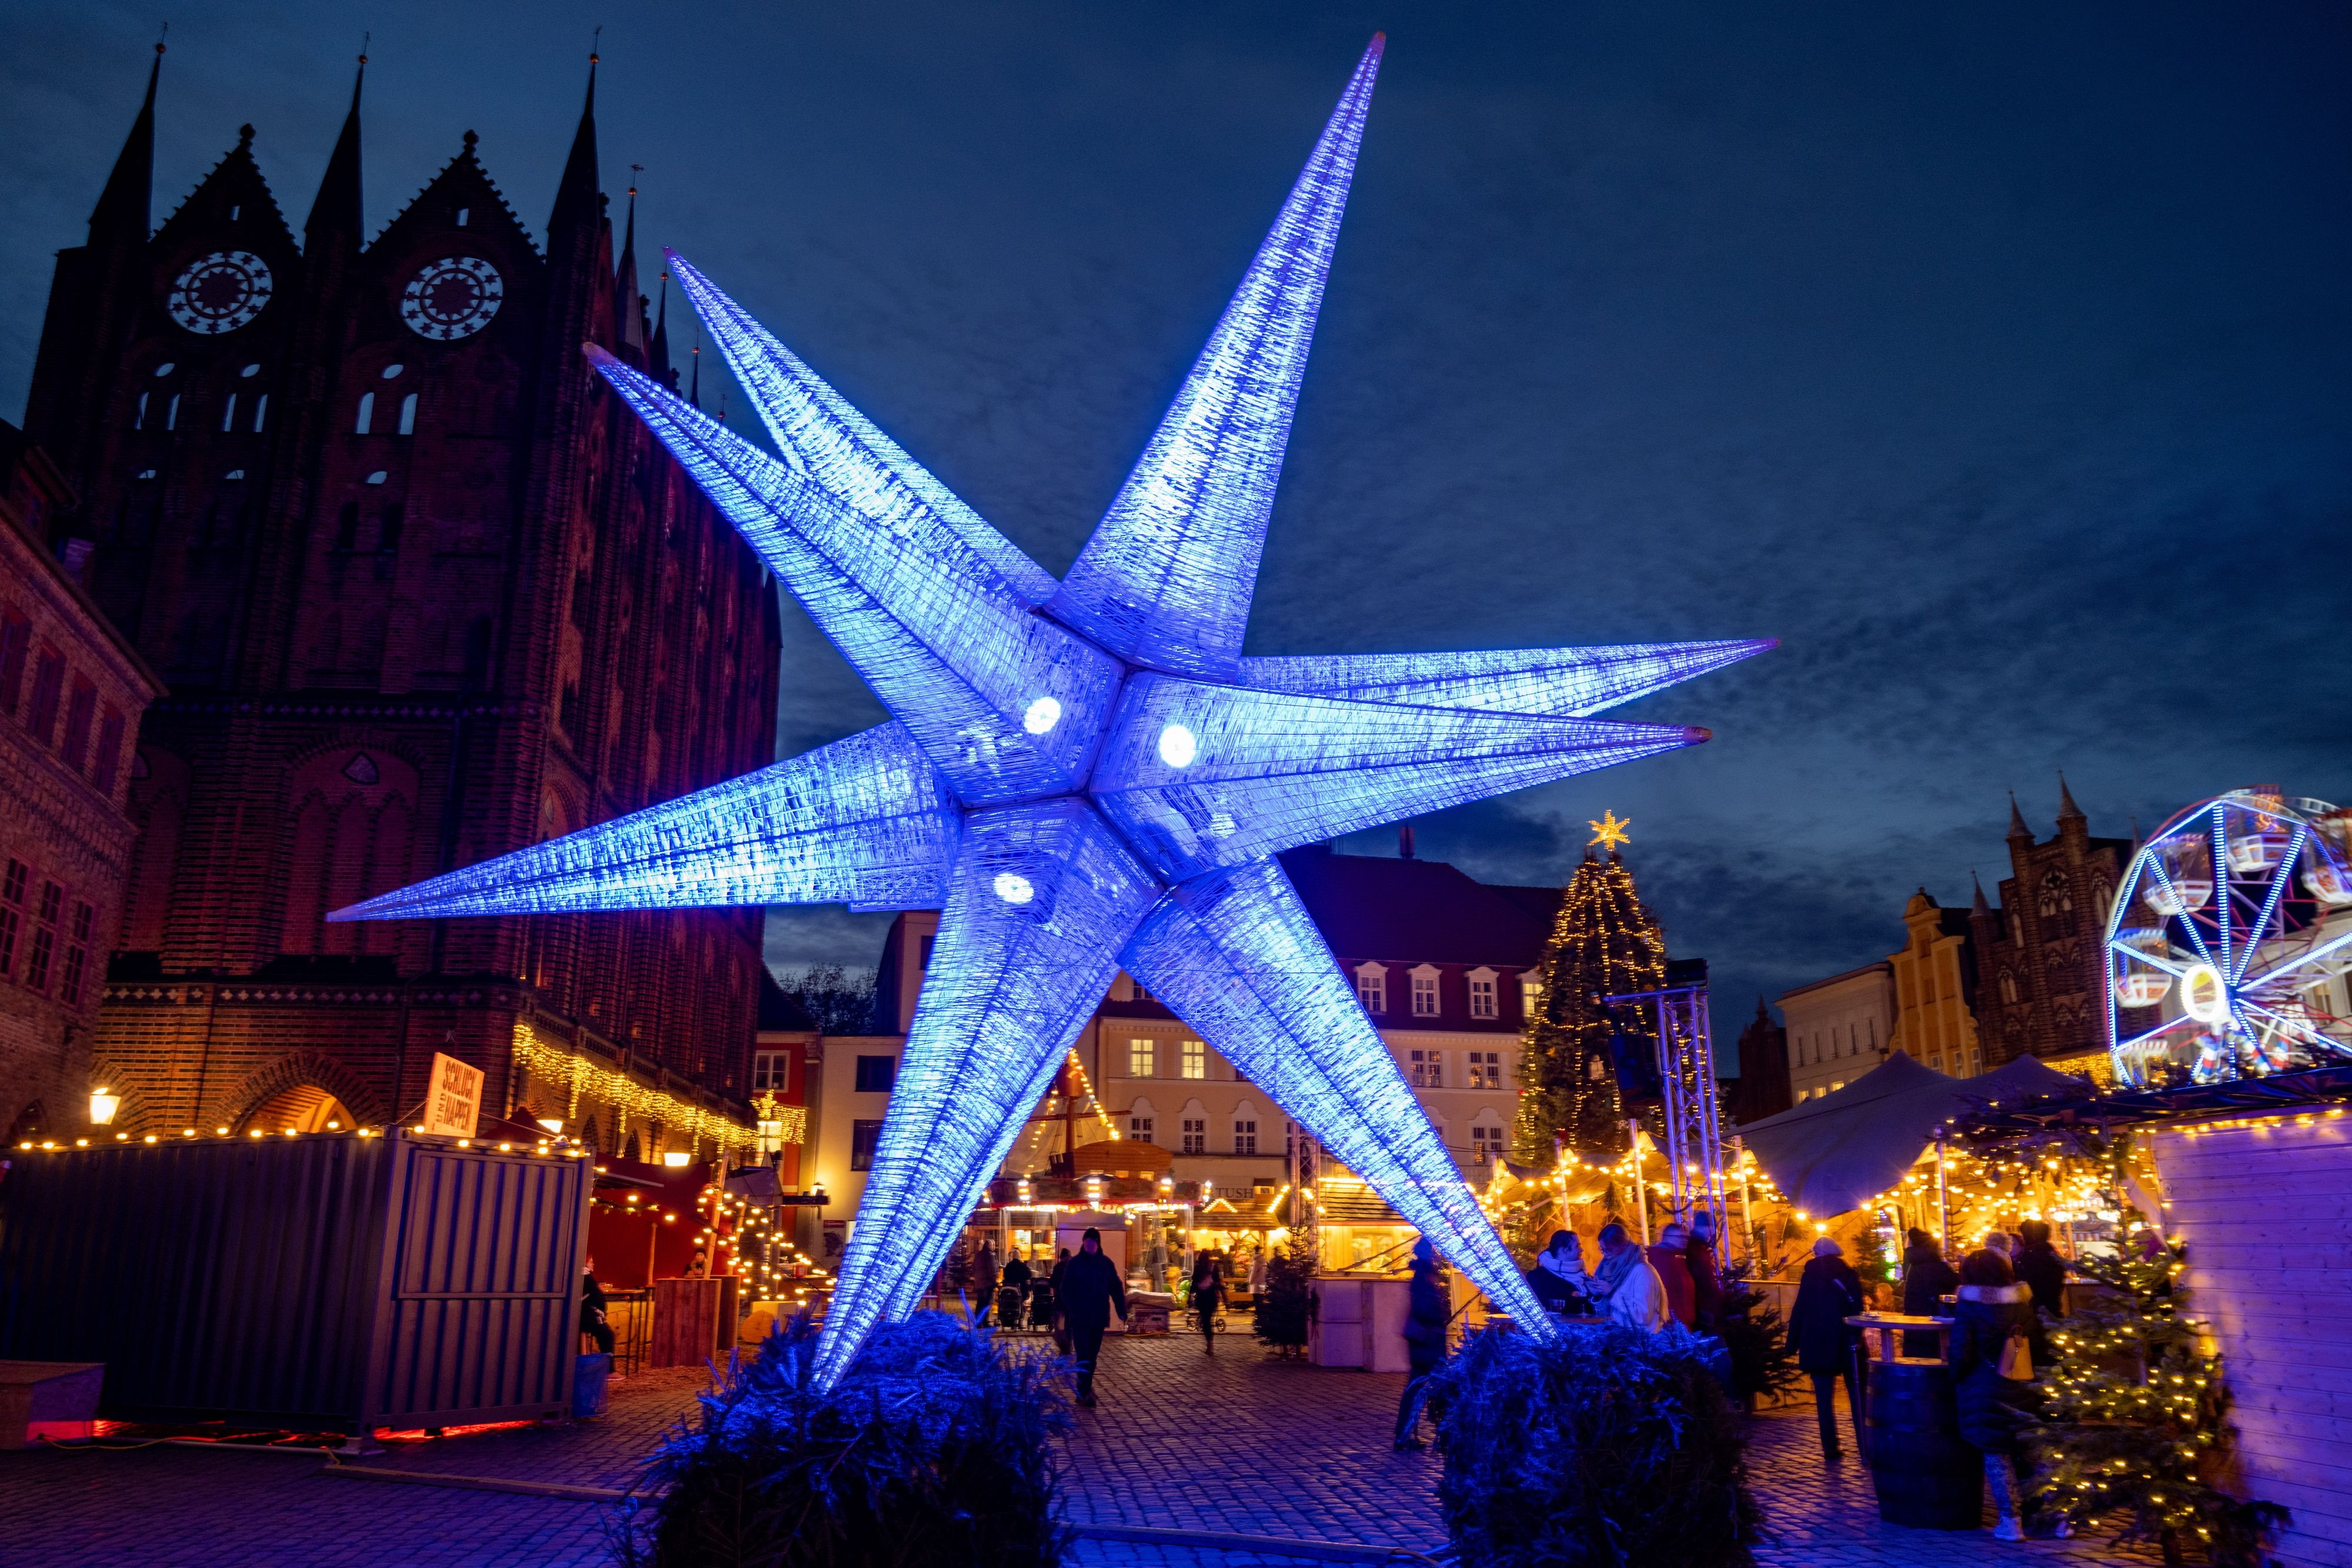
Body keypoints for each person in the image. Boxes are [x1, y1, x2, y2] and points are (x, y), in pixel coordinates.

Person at [1949, 1247, 2064, 1542]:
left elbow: (1961, 1352)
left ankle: (2011, 1522)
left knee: (1997, 1456)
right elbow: (2041, 1345)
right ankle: (2059, 1519)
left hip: (1986, 1388)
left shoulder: (1969, 1305)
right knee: (2038, 1454)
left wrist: (1955, 1378)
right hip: (2026, 1384)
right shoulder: (2025, 1300)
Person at [1786, 1236, 1866, 1462]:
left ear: (1817, 1253)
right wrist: (1856, 1337)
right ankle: (1864, 1446)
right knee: (1857, 1396)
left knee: (1823, 1399)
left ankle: (1830, 1448)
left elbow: (1799, 1310)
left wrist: (1792, 1343)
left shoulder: (1808, 1277)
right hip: (1846, 1341)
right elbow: (1857, 1308)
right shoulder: (1849, 1275)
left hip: (1817, 1343)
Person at [1057, 1228, 1127, 1407]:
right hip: (1080, 1318)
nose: (1090, 1245)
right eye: (1087, 1242)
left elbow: (1116, 1288)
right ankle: (1083, 1393)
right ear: (1083, 1243)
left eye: (1093, 1242)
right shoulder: (1075, 1264)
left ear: (1098, 1243)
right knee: (1084, 1355)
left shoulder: (1105, 1264)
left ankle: (1086, 1389)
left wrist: (1121, 1309)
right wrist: (1074, 1306)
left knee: (1092, 1357)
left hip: (1098, 1317)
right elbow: (1065, 1289)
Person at [1394, 1238, 1449, 1450]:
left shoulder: (1421, 1278)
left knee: (1416, 1389)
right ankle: (1439, 1436)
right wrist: (1438, 1320)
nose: (1436, 1256)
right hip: (1427, 1342)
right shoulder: (1424, 1280)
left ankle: (1405, 1436)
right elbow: (1424, 1310)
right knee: (1436, 1388)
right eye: (1434, 1252)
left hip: (1422, 1341)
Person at [1589, 1222, 1669, 1333]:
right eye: (1602, 1250)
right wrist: (1598, 1294)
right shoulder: (1611, 1271)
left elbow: (1642, 1316)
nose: (1605, 1254)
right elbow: (1609, 1312)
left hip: (1639, 1342)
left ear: (1621, 1246)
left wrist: (1612, 1293)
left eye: (1608, 1250)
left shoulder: (1642, 1272)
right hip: (1618, 1338)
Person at [1900, 1228, 1960, 1358]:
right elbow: (1958, 1283)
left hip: (1914, 1325)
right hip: (1934, 1329)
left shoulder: (1913, 1266)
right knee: (1934, 1365)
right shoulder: (1937, 1267)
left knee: (1918, 1361)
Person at [2012, 1219, 2069, 1339]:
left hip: (2036, 1314)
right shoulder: (2051, 1253)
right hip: (2052, 1309)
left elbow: (2028, 1286)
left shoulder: (2031, 1256)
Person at [1526, 1229, 1589, 1316]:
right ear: (1565, 1250)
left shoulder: (1585, 1276)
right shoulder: (1537, 1278)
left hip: (1586, 1327)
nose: (1582, 1250)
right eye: (1577, 1246)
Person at [1646, 1222, 1698, 1328]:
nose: (1684, 1240)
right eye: (1679, 1237)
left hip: (1682, 1320)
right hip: (1672, 1322)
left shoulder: (1679, 1257)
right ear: (1666, 1237)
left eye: (1685, 1237)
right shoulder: (1660, 1258)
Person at [1685, 1211, 1725, 1329]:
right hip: (1702, 1306)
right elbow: (1704, 1280)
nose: (1712, 1232)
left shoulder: (1697, 1247)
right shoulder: (1697, 1250)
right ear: (1706, 1228)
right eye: (1711, 1228)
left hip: (1700, 1306)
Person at [1188, 1251, 1223, 1353]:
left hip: (1202, 1297)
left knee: (1206, 1321)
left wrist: (1190, 1298)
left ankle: (1209, 1343)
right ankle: (1210, 1343)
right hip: (1212, 1297)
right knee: (1210, 1320)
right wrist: (1224, 1298)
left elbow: (1193, 1284)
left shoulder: (1198, 1268)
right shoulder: (1214, 1267)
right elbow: (1219, 1283)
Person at [580, 1261, 614, 1355]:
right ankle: (608, 1365)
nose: (593, 1264)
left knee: (606, 1334)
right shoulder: (587, 1278)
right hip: (587, 1316)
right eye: (590, 1262)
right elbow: (597, 1298)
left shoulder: (585, 1277)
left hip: (586, 1314)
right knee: (607, 1335)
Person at [1000, 1248, 1034, 1331]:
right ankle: (1021, 1322)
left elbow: (1005, 1276)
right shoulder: (1022, 1266)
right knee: (1022, 1302)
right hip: (1021, 1291)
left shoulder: (1008, 1266)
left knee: (1011, 1304)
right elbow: (1029, 1275)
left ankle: (1011, 1321)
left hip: (1009, 1291)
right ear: (1020, 1257)